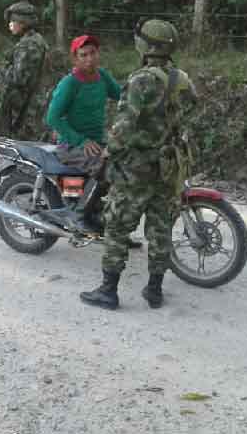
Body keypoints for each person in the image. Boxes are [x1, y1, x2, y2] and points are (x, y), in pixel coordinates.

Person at [80, 18, 197, 310]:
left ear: (145, 46)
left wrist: (108, 152)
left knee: (118, 227)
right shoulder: (181, 78)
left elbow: (125, 125)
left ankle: (109, 291)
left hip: (136, 169)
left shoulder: (141, 79)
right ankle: (154, 290)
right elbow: (191, 107)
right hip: (168, 166)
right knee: (160, 229)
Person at [45, 35, 142, 248]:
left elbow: (123, 97)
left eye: (93, 53)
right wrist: (80, 140)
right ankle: (79, 215)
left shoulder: (102, 77)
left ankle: (110, 226)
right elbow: (52, 118)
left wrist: (145, 99)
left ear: (99, 54)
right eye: (83, 55)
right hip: (71, 145)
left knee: (127, 169)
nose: (89, 58)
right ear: (75, 59)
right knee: (105, 166)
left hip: (98, 142)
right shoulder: (69, 83)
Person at [0, 1, 49, 136]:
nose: (10, 24)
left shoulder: (27, 45)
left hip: (27, 108)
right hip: (33, 103)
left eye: (13, 21)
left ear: (23, 23)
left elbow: (18, 79)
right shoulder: (36, 40)